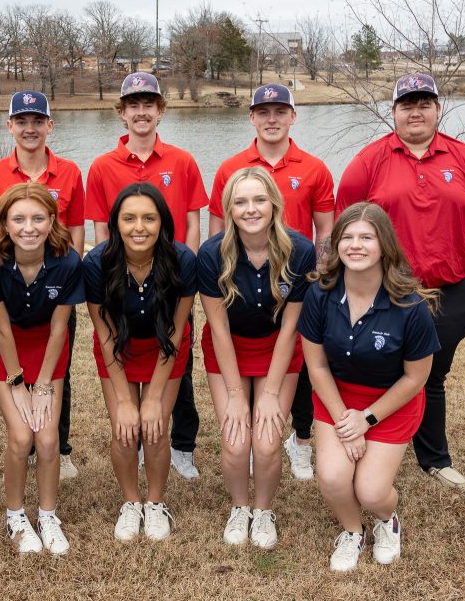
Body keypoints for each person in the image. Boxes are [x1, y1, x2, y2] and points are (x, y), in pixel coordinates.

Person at [336, 72, 465, 491]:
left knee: (432, 375)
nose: (416, 111)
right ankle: (376, 443)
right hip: (386, 290)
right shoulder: (369, 161)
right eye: (406, 104)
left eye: (424, 103)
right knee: (383, 370)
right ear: (393, 112)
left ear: (438, 109)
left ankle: (434, 457)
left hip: (449, 291)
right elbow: (344, 227)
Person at [299, 202, 439, 572]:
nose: (355, 245)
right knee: (331, 477)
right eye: (347, 237)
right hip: (337, 396)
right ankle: (352, 531)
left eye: (366, 237)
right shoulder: (319, 294)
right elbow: (315, 364)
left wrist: (368, 419)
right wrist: (347, 419)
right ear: (335, 245)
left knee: (372, 492)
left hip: (390, 400)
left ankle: (386, 521)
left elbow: (416, 378)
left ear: (384, 246)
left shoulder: (410, 306)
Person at [209, 83, 335, 481]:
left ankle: (298, 440)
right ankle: (249, 442)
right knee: (248, 389)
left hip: (295, 283)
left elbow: (326, 235)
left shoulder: (314, 168)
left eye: (280, 111)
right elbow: (217, 233)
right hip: (242, 284)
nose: (272, 118)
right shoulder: (231, 167)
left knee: (297, 371)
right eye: (263, 112)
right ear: (252, 118)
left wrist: (322, 283)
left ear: (293, 116)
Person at [85, 72, 208, 480]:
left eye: (148, 104)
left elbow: (191, 224)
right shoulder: (102, 166)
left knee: (177, 360)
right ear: (122, 114)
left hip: (172, 279)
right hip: (123, 279)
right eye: (133, 105)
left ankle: (182, 445)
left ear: (160, 111)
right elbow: (103, 233)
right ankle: (135, 442)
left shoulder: (183, 161)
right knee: (122, 346)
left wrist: (181, 272)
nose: (141, 112)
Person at [198, 167, 316, 548]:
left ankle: (263, 511)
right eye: (241, 201)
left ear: (274, 204)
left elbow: (291, 327)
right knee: (235, 440)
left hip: (277, 347)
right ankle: (240, 507)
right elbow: (217, 328)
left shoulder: (300, 250)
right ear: (229, 208)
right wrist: (235, 394)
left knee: (266, 439)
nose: (251, 209)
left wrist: (269, 394)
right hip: (228, 347)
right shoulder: (211, 253)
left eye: (259, 200)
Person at [0, 91, 85, 480]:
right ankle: (24, 433)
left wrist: (62, 275)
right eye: (21, 121)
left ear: (49, 126)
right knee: (17, 362)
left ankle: (60, 446)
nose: (29, 128)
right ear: (10, 126)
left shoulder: (70, 171)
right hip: (11, 285)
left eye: (37, 121)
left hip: (55, 286)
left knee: (59, 369)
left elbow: (75, 229)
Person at [0, 183, 84, 555]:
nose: (29, 227)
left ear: (52, 220)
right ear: (4, 223)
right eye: (18, 219)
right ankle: (15, 516)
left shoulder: (68, 261)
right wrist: (18, 382)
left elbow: (59, 328)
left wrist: (44, 385)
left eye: (38, 218)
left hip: (46, 343)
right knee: (22, 436)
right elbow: (1, 328)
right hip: (3, 343)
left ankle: (48, 515)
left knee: (48, 437)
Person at [83, 183, 197, 542]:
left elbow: (178, 330)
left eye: (149, 218)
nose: (139, 227)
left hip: (166, 348)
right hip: (118, 350)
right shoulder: (97, 263)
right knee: (125, 430)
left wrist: (152, 398)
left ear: (162, 222)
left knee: (156, 428)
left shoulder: (182, 260)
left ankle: (155, 502)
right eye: (129, 218)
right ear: (115, 222)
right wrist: (125, 401)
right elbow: (104, 333)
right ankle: (131, 502)